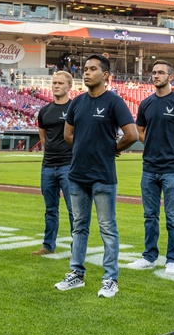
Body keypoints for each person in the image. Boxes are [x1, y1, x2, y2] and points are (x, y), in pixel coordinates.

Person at [54, 55, 137, 298]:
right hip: (77, 173)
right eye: (85, 69)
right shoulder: (77, 102)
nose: (86, 73)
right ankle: (76, 274)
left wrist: (113, 149)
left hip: (103, 174)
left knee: (107, 228)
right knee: (79, 227)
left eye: (92, 69)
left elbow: (131, 134)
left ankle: (110, 279)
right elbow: (68, 134)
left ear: (106, 75)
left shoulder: (114, 101)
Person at [127, 60, 174, 275]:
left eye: (161, 72)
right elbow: (139, 129)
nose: (156, 75)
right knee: (150, 216)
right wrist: (148, 141)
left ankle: (172, 259)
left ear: (171, 76)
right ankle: (149, 256)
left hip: (172, 169)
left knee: (172, 216)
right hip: (149, 168)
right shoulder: (146, 104)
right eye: (154, 72)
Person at [33, 70, 74, 256]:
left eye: (60, 83)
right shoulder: (45, 111)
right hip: (48, 166)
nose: (56, 85)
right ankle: (48, 245)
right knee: (50, 209)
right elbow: (43, 137)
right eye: (54, 82)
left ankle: (77, 246)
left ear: (69, 86)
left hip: (69, 165)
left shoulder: (75, 108)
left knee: (74, 210)